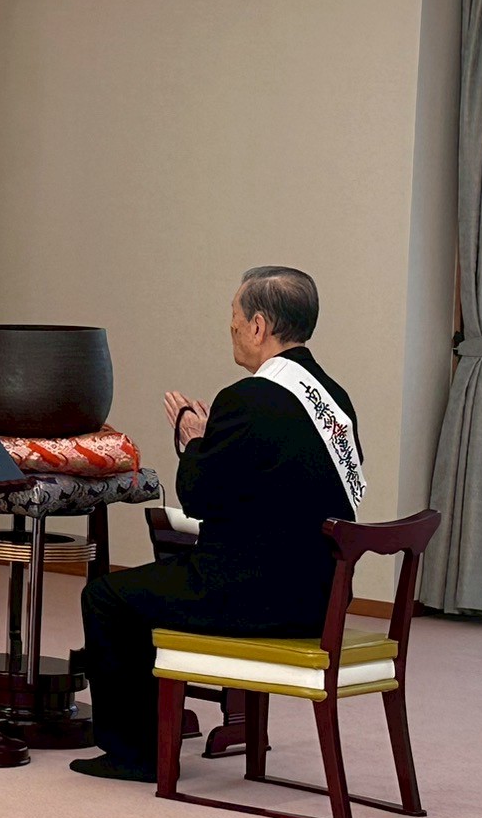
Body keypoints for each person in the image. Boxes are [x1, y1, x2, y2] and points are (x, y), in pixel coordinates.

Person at [72, 265, 366, 782]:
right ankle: (162, 720)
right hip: (322, 598)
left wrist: (193, 440)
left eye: (234, 317)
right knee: (151, 586)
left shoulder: (246, 399)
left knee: (107, 598)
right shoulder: (334, 399)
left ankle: (134, 753)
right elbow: (280, 482)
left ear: (258, 325)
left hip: (250, 597)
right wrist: (219, 443)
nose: (230, 327)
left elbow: (200, 498)